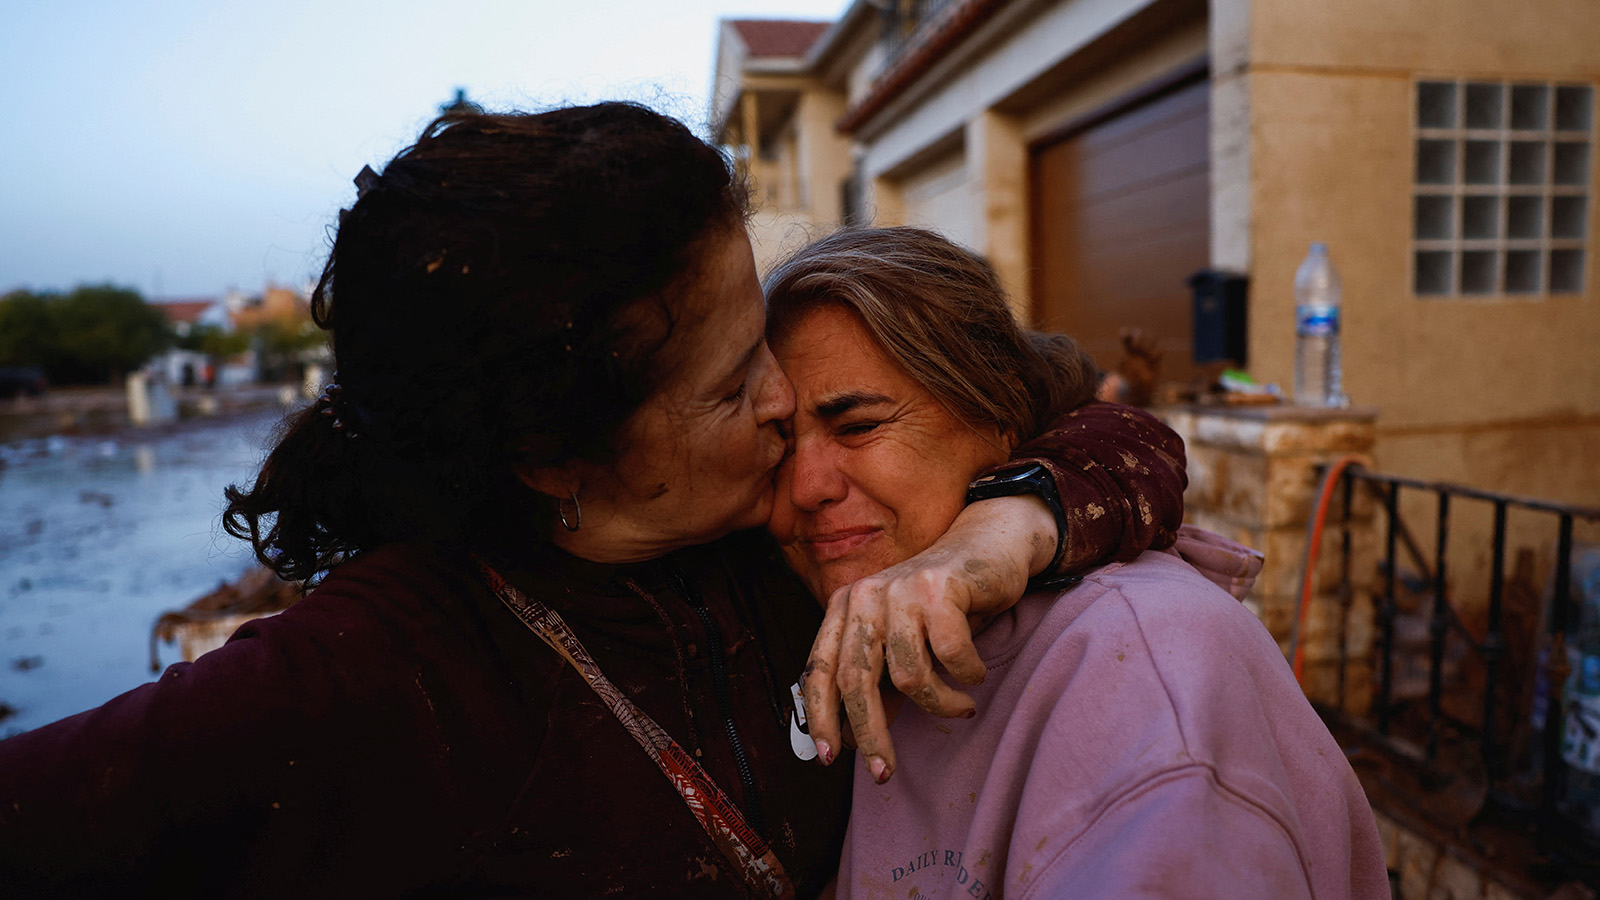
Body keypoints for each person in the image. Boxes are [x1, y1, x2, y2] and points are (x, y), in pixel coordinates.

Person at [0, 106, 1187, 898]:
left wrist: (1001, 525)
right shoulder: (373, 668)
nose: (785, 403)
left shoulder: (764, 528)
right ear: (553, 458)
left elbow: (1113, 430)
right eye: (734, 385)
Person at [765, 227, 1389, 900]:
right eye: (775, 443)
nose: (805, 487)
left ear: (997, 411)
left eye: (857, 427)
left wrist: (1006, 522)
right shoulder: (802, 610)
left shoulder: (1146, 674)